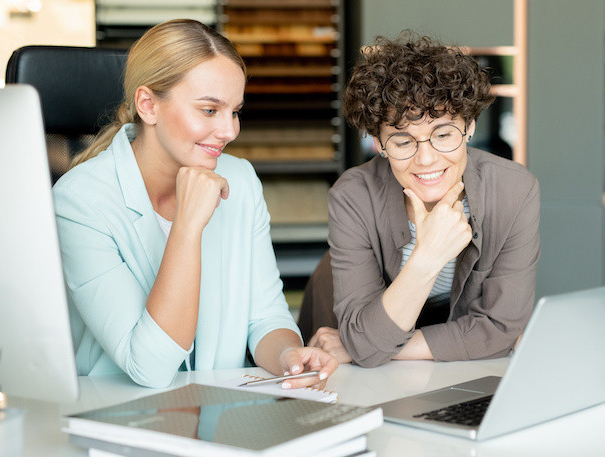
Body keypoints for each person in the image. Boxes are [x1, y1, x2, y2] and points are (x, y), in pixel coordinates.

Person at [53, 19, 337, 388]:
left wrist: (287, 356)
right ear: (148, 105)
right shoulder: (80, 202)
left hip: (219, 413)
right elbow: (150, 368)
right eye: (209, 110)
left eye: (235, 111)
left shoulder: (240, 180)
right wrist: (187, 225)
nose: (229, 131)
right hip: (121, 414)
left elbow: (265, 318)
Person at [305, 32, 540, 367]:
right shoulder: (352, 196)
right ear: (379, 143)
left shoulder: (515, 190)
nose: (426, 159)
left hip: (416, 352)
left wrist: (377, 346)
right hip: (334, 330)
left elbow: (501, 329)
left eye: (443, 134)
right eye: (403, 141)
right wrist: (428, 256)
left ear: (469, 126)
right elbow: (363, 343)